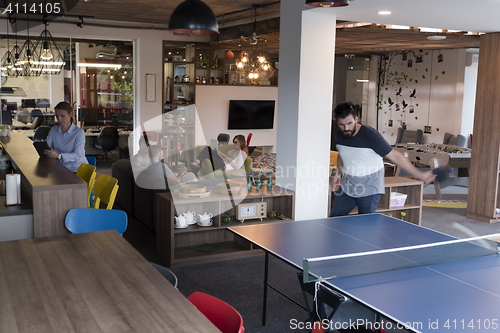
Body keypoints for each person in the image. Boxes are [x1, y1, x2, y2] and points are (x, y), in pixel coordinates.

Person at [330, 101, 436, 216]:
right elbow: (342, 155)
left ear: (356, 118)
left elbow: (395, 155)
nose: (346, 128)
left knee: (366, 225)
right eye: (341, 124)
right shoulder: (338, 135)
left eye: (349, 123)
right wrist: (338, 173)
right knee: (334, 220)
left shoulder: (370, 135)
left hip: (370, 189)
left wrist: (419, 174)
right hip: (348, 187)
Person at [44, 101, 88, 172]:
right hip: (60, 167)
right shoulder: (54, 130)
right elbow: (48, 146)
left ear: (70, 114)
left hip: (76, 169)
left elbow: (78, 155)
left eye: (62, 116)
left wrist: (59, 155)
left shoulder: (79, 132)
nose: (59, 119)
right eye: (57, 116)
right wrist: (43, 147)